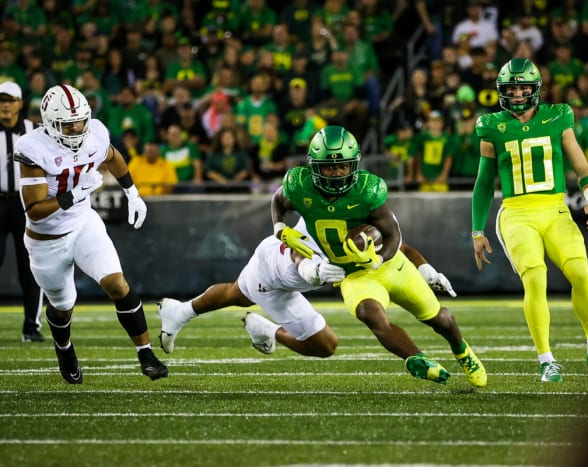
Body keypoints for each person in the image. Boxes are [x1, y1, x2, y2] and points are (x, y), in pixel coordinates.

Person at [270, 125, 486, 387]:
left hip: (389, 265)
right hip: (352, 275)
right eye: (328, 167)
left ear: (355, 165)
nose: (337, 173)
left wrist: (379, 259)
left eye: (343, 166)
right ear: (314, 166)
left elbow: (394, 236)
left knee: (439, 318)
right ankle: (415, 358)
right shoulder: (300, 186)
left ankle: (462, 350)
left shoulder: (367, 191)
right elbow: (279, 201)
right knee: (370, 314)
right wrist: (280, 227)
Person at [471, 58, 588, 383]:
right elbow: (483, 184)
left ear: (535, 88)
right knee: (536, 279)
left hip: (555, 210)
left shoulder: (557, 115)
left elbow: (582, 165)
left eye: (523, 86)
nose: (518, 93)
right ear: (501, 91)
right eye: (511, 88)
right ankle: (546, 359)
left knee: (581, 273)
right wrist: (477, 229)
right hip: (517, 215)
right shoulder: (491, 125)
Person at [15, 84, 168, 384]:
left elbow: (112, 156)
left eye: (80, 121)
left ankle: (146, 353)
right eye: (67, 123)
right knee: (62, 308)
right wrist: (73, 194)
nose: (76, 128)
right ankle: (65, 348)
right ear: (49, 123)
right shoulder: (31, 148)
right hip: (47, 241)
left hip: (84, 223)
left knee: (116, 282)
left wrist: (132, 192)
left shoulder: (95, 132)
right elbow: (33, 209)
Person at [157, 218, 456, 358]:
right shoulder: (323, 222)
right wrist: (310, 268)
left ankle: (180, 312)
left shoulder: (366, 216)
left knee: (235, 292)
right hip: (276, 271)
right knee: (325, 345)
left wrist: (425, 269)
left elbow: (398, 245)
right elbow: (297, 250)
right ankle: (183, 313)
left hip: (287, 270)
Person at [0, 81, 44, 342]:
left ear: (19, 103)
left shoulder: (34, 131)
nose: (4, 104)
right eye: (1, 99)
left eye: (9, 99)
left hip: (25, 204)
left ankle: (31, 327)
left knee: (31, 266)